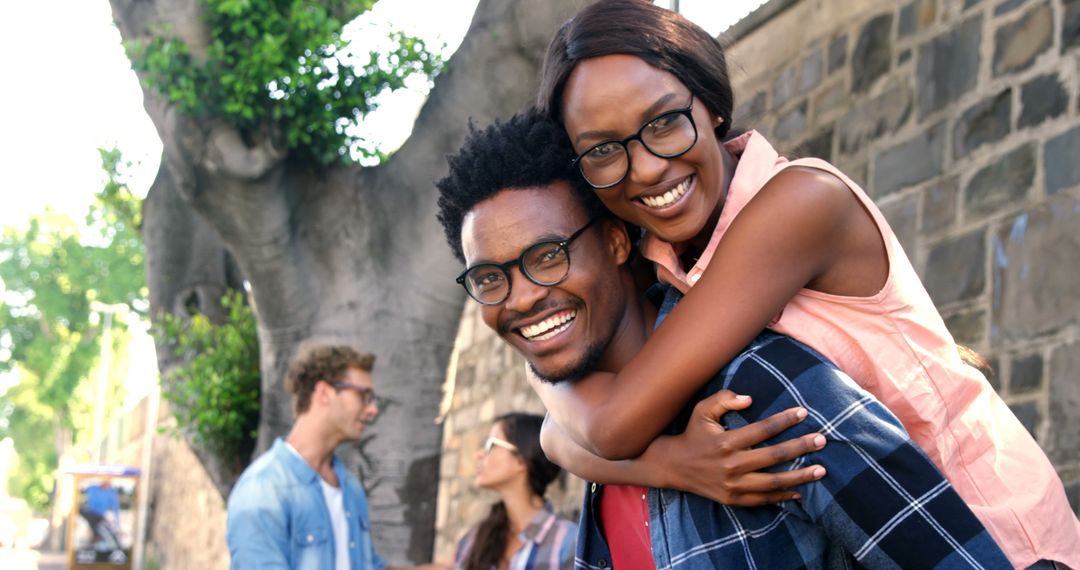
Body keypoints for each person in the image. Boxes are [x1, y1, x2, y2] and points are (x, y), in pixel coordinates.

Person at [532, 1, 1080, 567]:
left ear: (713, 106)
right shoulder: (665, 254)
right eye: (602, 150)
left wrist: (540, 359)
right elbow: (558, 435)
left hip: (986, 532)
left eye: (665, 122)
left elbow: (611, 424)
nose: (645, 168)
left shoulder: (801, 203)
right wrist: (672, 464)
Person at [435, 108, 1010, 568]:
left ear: (615, 243)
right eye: (490, 278)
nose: (522, 297)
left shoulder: (764, 394)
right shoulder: (588, 443)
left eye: (548, 257)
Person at [226, 344, 448, 570]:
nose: (372, 410)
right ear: (324, 393)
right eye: (364, 395)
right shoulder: (264, 489)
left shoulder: (349, 488)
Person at [454, 413, 576, 570]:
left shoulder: (569, 543)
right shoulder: (473, 541)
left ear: (522, 459)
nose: (479, 454)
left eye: (491, 445)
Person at [81, 479, 121, 545]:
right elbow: (82, 488)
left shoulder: (111, 493)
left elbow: (116, 510)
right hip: (90, 514)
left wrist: (118, 525)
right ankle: (95, 538)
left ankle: (96, 538)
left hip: (99, 516)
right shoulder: (92, 488)